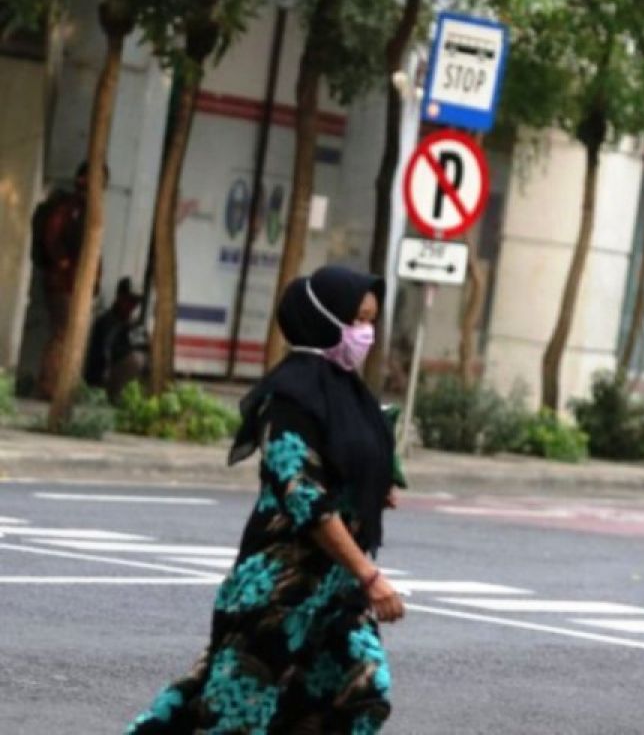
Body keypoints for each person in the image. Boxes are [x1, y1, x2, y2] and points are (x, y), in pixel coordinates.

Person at [127, 265, 405, 734]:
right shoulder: (288, 398)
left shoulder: (348, 392)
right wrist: (369, 575)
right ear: (325, 319)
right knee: (234, 716)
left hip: (334, 593)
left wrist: (374, 488)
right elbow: (304, 498)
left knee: (362, 694)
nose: (367, 333)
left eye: (371, 320)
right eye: (357, 319)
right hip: (278, 591)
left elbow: (358, 458)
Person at [30, 162, 103, 398]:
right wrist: (64, 264)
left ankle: (56, 385)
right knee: (63, 334)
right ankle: (49, 386)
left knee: (67, 335)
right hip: (63, 283)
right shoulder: (70, 208)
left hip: (75, 284)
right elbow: (53, 238)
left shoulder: (87, 208)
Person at [83, 277, 143, 402]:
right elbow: (105, 353)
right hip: (102, 378)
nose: (132, 306)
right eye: (129, 301)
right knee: (135, 361)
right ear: (120, 297)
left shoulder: (128, 323)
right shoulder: (108, 322)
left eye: (135, 303)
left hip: (114, 374)